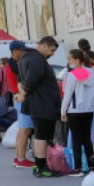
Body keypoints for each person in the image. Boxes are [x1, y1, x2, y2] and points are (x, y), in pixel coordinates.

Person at [13, 37, 62, 178]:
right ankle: (41, 167)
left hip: (40, 103)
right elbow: (31, 80)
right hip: (43, 104)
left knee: (41, 135)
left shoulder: (27, 58)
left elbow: (24, 80)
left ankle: (40, 165)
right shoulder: (36, 59)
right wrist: (23, 94)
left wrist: (23, 93)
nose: (52, 54)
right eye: (52, 50)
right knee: (42, 136)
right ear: (45, 45)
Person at [60, 49, 94, 177]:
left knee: (76, 139)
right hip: (89, 109)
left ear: (77, 60)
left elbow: (67, 95)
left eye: (70, 59)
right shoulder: (90, 73)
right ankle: (92, 165)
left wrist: (63, 111)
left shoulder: (71, 75)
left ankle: (77, 168)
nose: (69, 62)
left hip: (74, 110)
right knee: (87, 139)